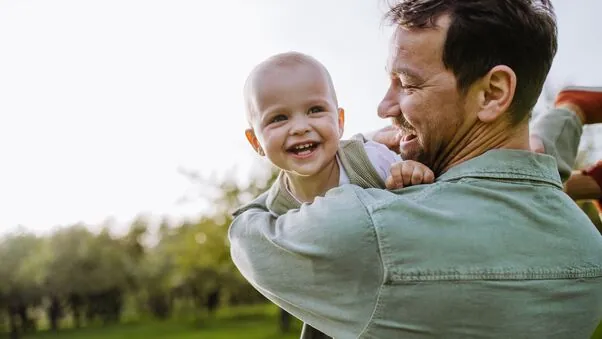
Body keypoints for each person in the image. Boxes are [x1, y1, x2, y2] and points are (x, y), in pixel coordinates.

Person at [230, 1, 602, 338]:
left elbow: (246, 234)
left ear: (492, 93)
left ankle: (570, 113)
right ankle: (571, 114)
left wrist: (336, 159)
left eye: (406, 83)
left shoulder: (359, 226)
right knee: (532, 154)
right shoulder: (590, 251)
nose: (384, 107)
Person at [243, 51, 434, 216]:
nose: (300, 128)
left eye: (315, 110)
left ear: (339, 122)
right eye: (278, 118)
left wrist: (411, 173)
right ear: (255, 142)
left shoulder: (369, 160)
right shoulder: (276, 209)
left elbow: (419, 196)